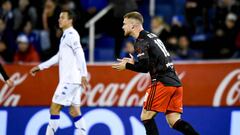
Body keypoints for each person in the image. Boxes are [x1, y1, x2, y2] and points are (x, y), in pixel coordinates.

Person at [112, 11, 199, 135]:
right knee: (174, 121)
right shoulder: (151, 36)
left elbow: (144, 67)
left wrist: (127, 65)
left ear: (132, 26)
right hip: (175, 82)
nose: (122, 26)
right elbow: (151, 60)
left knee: (146, 116)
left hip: (162, 82)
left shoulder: (140, 41)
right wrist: (135, 62)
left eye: (124, 24)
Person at [29, 10, 88, 135]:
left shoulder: (72, 34)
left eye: (63, 17)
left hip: (69, 80)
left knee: (54, 108)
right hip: (73, 80)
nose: (59, 19)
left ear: (70, 20)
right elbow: (58, 56)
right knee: (74, 111)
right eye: (59, 17)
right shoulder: (65, 35)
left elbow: (80, 53)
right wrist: (40, 67)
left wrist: (84, 74)